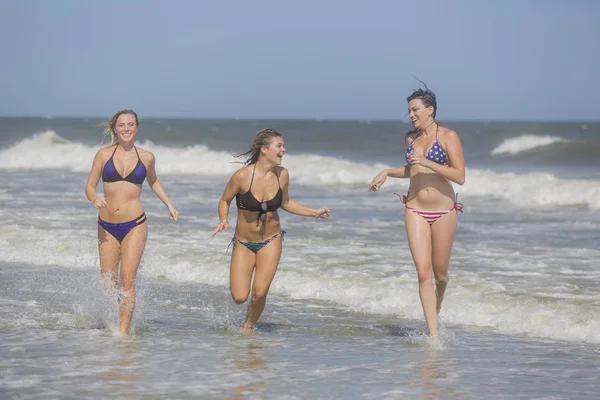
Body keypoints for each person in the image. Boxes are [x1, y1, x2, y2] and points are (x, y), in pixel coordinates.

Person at [212, 128, 330, 332]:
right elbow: (225, 200)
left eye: (283, 146)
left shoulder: (282, 175)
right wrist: (223, 219)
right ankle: (246, 319)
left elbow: (285, 203)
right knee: (239, 297)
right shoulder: (242, 176)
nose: (284, 149)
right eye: (279, 146)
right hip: (243, 242)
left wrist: (314, 212)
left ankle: (247, 328)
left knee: (259, 292)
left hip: (271, 239)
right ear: (264, 150)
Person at [369, 88, 465, 337]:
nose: (411, 114)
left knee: (440, 275)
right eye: (409, 110)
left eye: (415, 109)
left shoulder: (448, 136)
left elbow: (460, 176)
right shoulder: (411, 139)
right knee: (423, 273)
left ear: (430, 110)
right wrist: (387, 172)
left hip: (444, 210)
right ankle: (433, 336)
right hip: (415, 208)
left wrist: (427, 162)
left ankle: (437, 306)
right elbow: (412, 171)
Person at [85, 109, 179, 336]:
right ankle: (107, 319)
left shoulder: (146, 157)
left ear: (136, 128)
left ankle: (123, 333)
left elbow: (154, 181)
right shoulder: (103, 155)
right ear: (115, 129)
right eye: (121, 125)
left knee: (127, 280)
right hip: (106, 225)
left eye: (130, 124)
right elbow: (90, 185)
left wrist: (169, 204)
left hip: (135, 224)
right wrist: (94, 198)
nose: (126, 128)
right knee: (108, 281)